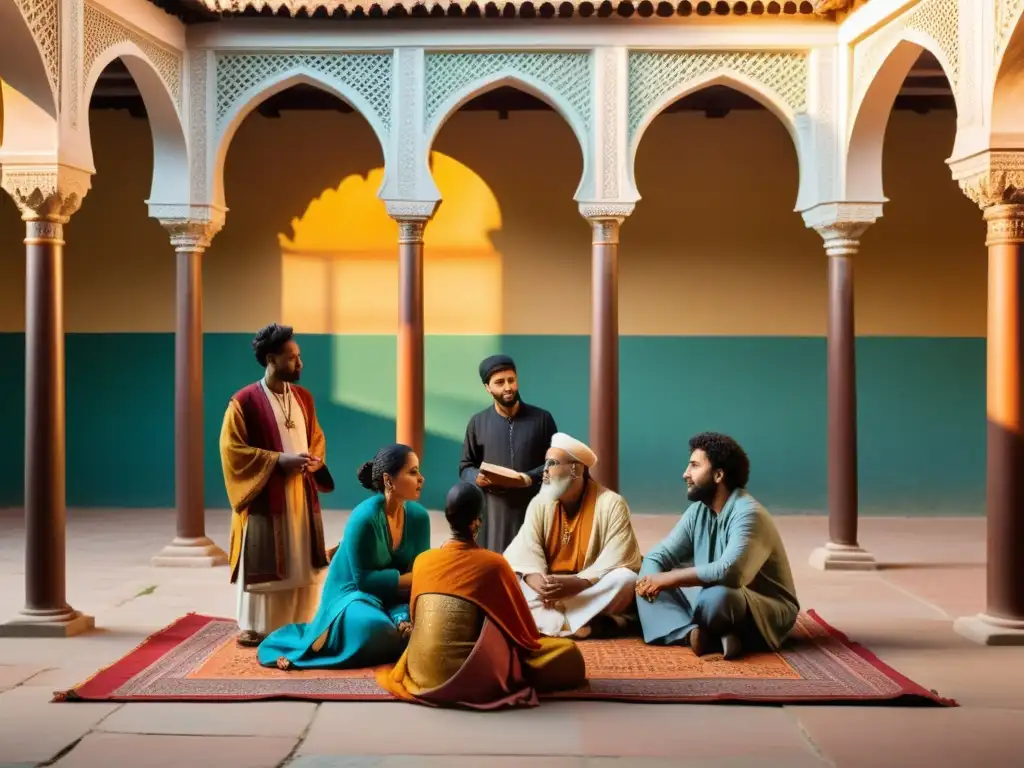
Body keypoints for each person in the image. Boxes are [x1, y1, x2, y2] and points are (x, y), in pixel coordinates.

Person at [376, 481, 586, 709]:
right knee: (569, 655)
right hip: (469, 676)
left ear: (448, 517)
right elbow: (522, 633)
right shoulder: (493, 564)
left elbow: (418, 619)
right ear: (477, 522)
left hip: (420, 674)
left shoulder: (423, 561)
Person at [256, 444, 431, 670]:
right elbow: (367, 581)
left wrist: (405, 607)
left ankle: (399, 623)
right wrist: (413, 577)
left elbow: (421, 571)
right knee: (375, 628)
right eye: (413, 472)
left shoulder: (419, 518)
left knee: (435, 619)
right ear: (389, 480)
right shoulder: (364, 518)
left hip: (398, 597)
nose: (421, 479)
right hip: (353, 595)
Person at [635, 432, 799, 660]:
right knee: (644, 576)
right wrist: (651, 581)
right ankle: (695, 635)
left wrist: (668, 579)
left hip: (760, 608)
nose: (685, 474)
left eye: (694, 466)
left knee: (718, 598)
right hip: (708, 596)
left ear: (718, 474)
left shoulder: (749, 513)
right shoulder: (698, 511)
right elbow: (658, 556)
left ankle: (701, 631)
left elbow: (730, 572)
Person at [220, 323, 335, 648]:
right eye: (292, 358)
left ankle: (300, 621)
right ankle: (256, 626)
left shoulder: (303, 397)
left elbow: (316, 438)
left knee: (299, 561)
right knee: (265, 561)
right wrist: (276, 461)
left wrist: (314, 460)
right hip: (263, 498)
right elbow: (232, 451)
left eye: (299, 356)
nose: (300, 364)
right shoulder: (243, 402)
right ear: (271, 359)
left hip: (301, 494)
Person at [503, 433, 643, 639]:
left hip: (588, 589)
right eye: (545, 464)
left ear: (575, 469)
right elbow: (525, 550)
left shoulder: (611, 503)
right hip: (548, 591)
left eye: (552, 463)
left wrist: (578, 583)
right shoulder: (539, 503)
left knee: (626, 579)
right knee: (508, 578)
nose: (544, 471)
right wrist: (538, 581)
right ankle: (588, 624)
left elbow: (619, 558)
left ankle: (550, 622)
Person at [459, 354, 558, 553]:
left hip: (534, 506)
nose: (507, 387)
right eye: (499, 382)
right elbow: (465, 466)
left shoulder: (542, 419)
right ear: (487, 387)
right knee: (496, 566)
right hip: (494, 511)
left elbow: (555, 461)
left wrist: (528, 478)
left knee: (532, 566)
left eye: (511, 380)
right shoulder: (477, 423)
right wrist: (475, 477)